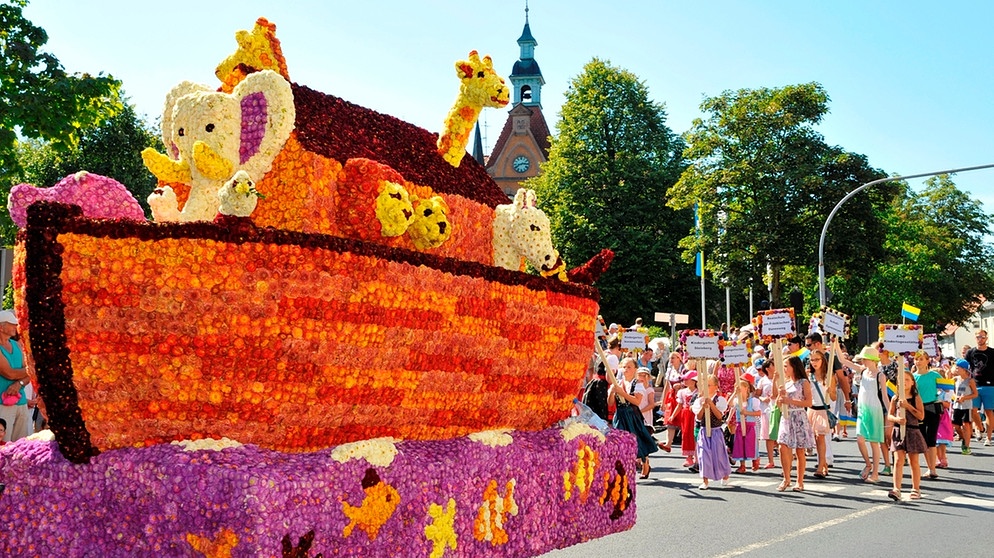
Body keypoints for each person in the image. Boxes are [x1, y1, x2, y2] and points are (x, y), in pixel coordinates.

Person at [838, 345, 890, 483]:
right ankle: (868, 464)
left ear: (872, 360)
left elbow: (884, 396)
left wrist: (890, 413)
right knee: (860, 439)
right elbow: (842, 360)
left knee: (874, 442)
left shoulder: (880, 375)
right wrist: (836, 343)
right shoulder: (862, 370)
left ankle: (875, 474)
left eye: (865, 359)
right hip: (862, 409)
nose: (863, 361)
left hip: (875, 409)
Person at [609, 358, 658, 479]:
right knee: (620, 443)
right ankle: (625, 470)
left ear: (635, 369)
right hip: (619, 416)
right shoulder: (618, 382)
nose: (626, 369)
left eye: (629, 367)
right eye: (624, 367)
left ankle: (644, 460)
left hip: (632, 416)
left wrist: (622, 393)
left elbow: (637, 401)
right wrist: (611, 392)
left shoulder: (638, 384)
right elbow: (610, 403)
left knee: (637, 442)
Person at [774, 355, 815, 492]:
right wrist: (780, 397)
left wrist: (789, 401)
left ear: (794, 367)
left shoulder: (803, 382)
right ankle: (786, 478)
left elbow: (808, 402)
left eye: (787, 366)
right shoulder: (785, 383)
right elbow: (778, 404)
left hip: (799, 416)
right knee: (782, 446)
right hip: (786, 417)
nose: (784, 369)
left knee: (799, 450)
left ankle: (800, 481)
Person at [887, 367, 927, 502]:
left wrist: (908, 407)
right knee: (898, 460)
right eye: (901, 380)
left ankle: (916, 488)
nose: (904, 382)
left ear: (912, 383)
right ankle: (896, 488)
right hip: (899, 430)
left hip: (912, 430)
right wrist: (897, 420)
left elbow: (921, 416)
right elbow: (890, 415)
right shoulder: (895, 398)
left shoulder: (916, 398)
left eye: (907, 380)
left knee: (913, 461)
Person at [693, 374, 733, 489]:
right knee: (704, 454)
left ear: (716, 387)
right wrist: (703, 406)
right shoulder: (699, 400)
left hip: (716, 431)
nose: (706, 387)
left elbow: (719, 416)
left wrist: (711, 404)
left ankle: (724, 476)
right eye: (705, 385)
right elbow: (699, 417)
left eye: (709, 385)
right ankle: (705, 480)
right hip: (704, 431)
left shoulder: (720, 400)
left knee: (719, 454)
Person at [0, 310, 32, 443]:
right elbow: (10, 373)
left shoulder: (18, 345)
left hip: (21, 401)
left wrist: (20, 384)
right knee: (3, 446)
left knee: (21, 446)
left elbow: (31, 373)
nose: (16, 327)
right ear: (1, 327)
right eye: (12, 324)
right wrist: (28, 370)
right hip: (2, 403)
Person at [913, 351, 943, 480]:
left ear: (927, 361)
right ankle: (929, 466)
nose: (918, 362)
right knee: (923, 439)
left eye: (921, 359)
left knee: (931, 439)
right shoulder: (913, 377)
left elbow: (946, 389)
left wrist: (941, 398)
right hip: (918, 409)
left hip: (932, 407)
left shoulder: (934, 375)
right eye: (916, 359)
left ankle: (932, 469)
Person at [807, 350, 835, 479]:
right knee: (815, 440)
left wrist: (830, 391)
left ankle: (820, 466)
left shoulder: (829, 376)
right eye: (812, 360)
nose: (814, 363)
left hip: (823, 410)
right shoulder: (808, 376)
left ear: (822, 360)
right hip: (811, 410)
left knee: (820, 437)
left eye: (817, 359)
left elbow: (834, 397)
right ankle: (824, 465)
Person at [965, 330, 994, 446]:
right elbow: (965, 367)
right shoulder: (970, 352)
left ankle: (988, 437)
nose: (980, 339)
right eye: (978, 337)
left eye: (982, 337)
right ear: (975, 338)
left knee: (989, 412)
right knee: (973, 410)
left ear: (986, 338)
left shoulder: (992, 352)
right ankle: (980, 428)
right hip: (974, 385)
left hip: (990, 385)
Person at [731, 377, 761, 473]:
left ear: (746, 388)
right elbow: (729, 404)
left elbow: (758, 413)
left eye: (740, 387)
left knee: (751, 444)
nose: (738, 388)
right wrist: (734, 394)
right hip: (740, 425)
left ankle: (755, 459)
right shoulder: (737, 400)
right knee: (740, 445)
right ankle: (742, 465)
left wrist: (747, 413)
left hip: (750, 425)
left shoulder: (753, 401)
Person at [670, 371, 699, 470]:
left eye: (687, 379)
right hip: (686, 414)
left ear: (694, 381)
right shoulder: (682, 392)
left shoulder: (699, 392)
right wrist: (673, 416)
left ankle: (696, 456)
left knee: (695, 434)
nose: (684, 381)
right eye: (684, 379)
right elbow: (679, 405)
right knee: (686, 434)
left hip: (695, 414)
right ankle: (689, 456)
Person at [952, 358, 978, 455]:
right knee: (956, 426)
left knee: (966, 425)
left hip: (966, 406)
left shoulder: (970, 381)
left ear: (964, 369)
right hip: (957, 405)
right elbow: (953, 392)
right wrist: (956, 397)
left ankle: (966, 446)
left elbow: (975, 394)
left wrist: (965, 397)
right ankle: (963, 438)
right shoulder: (955, 379)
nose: (956, 369)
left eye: (958, 368)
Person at [756, 359, 778, 469]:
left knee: (781, 436)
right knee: (769, 437)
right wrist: (762, 398)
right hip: (766, 410)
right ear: (768, 369)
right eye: (774, 365)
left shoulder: (780, 379)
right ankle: (770, 460)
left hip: (778, 408)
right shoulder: (762, 381)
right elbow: (757, 394)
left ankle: (789, 458)